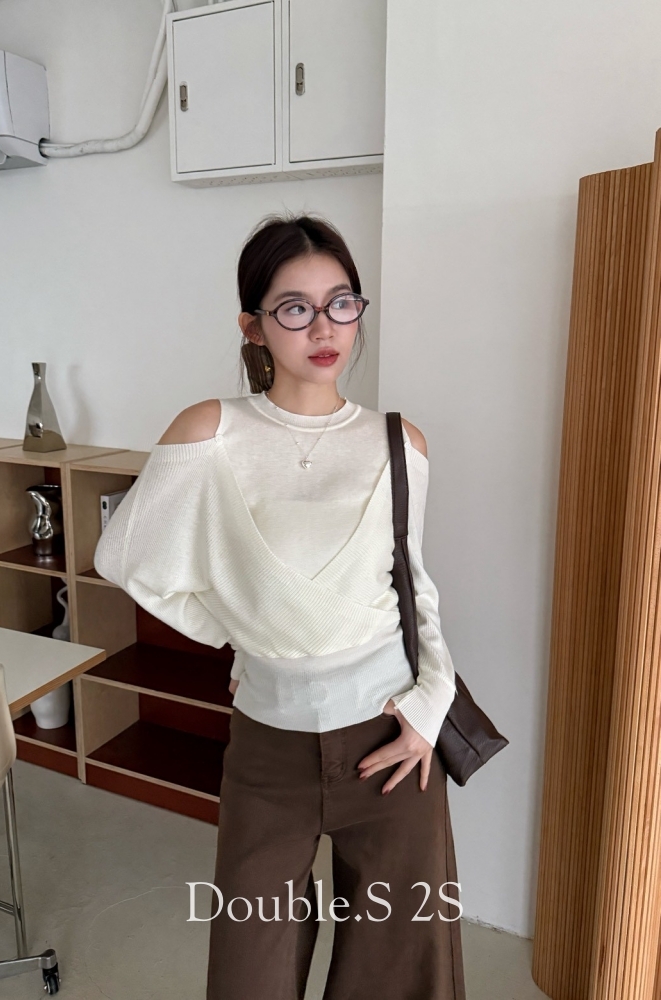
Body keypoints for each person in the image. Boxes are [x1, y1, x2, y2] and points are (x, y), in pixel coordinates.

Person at [93, 212, 467, 999]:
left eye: (341, 302)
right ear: (253, 325)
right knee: (249, 970)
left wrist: (430, 707)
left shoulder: (400, 443)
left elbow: (412, 586)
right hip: (268, 747)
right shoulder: (210, 431)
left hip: (391, 735)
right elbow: (125, 559)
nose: (324, 328)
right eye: (295, 307)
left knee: (399, 971)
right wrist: (239, 635)